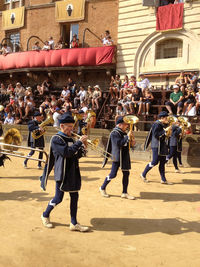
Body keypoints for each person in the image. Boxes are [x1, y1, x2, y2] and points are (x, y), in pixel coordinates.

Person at [40, 113, 89, 232]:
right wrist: (79, 143)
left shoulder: (71, 139)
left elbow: (75, 155)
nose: (71, 129)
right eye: (68, 126)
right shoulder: (57, 139)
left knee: (74, 196)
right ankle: (45, 215)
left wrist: (84, 148)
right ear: (61, 126)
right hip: (62, 172)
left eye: (72, 126)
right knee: (58, 198)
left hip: (72, 171)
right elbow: (67, 152)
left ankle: (74, 223)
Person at [99, 116, 136, 199]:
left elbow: (128, 145)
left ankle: (124, 192)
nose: (127, 126)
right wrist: (127, 137)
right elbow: (119, 143)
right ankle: (102, 187)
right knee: (113, 174)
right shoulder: (114, 133)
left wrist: (132, 142)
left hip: (125, 156)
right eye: (125, 124)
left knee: (126, 173)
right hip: (118, 156)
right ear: (120, 125)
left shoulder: (124, 132)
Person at [141, 111, 172, 184]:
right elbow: (156, 134)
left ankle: (163, 179)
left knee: (162, 163)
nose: (167, 119)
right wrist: (165, 131)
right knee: (154, 161)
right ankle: (143, 174)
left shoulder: (162, 124)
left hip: (162, 145)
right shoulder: (157, 124)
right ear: (162, 118)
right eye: (166, 118)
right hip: (157, 145)